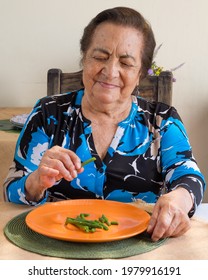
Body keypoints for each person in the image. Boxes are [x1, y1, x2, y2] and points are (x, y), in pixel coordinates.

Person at [3, 6, 205, 241]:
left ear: (140, 73)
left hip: (139, 246)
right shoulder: (48, 113)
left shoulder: (162, 120)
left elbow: (190, 178)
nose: (110, 72)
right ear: (84, 59)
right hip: (58, 246)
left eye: (126, 63)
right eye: (100, 57)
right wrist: (36, 181)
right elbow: (11, 191)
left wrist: (178, 199)